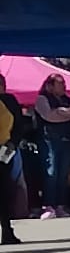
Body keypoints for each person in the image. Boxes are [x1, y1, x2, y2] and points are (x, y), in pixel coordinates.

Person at [33, 74, 70, 219]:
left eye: (64, 83)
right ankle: (48, 205)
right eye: (60, 83)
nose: (64, 86)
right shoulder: (42, 99)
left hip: (67, 140)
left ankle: (60, 205)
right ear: (50, 86)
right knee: (51, 172)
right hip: (49, 140)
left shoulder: (69, 99)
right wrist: (65, 113)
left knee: (63, 173)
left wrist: (60, 112)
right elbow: (48, 116)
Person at [0, 94, 22, 244]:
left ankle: (7, 231)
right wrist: (12, 142)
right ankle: (7, 231)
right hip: (3, 149)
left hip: (3, 149)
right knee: (4, 192)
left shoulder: (6, 102)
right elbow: (13, 122)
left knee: (4, 192)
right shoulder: (6, 102)